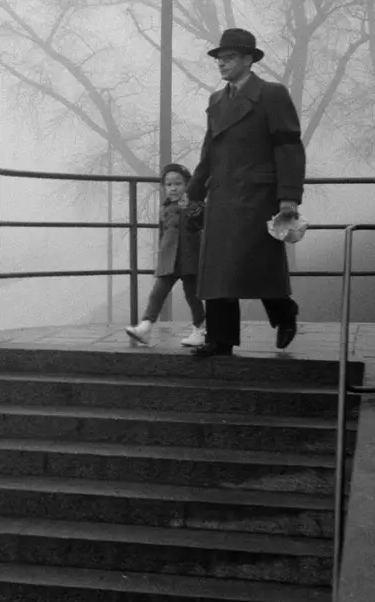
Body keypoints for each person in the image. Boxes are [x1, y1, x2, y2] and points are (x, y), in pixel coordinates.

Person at [185, 29, 306, 357]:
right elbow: (208, 152)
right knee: (218, 267)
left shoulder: (271, 94)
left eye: (229, 58)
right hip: (223, 194)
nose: (221, 65)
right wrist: (194, 193)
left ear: (249, 59)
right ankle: (220, 340)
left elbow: (288, 147)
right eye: (219, 59)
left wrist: (288, 197)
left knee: (256, 263)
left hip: (258, 195)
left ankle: (284, 313)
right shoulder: (216, 100)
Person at [124, 163, 206, 348]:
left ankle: (200, 329)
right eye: (169, 184)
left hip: (189, 257)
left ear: (187, 185)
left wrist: (192, 207)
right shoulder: (165, 208)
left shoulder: (194, 205)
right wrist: (161, 254)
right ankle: (146, 326)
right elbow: (163, 233)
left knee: (192, 295)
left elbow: (201, 223)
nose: (173, 188)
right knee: (157, 293)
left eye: (178, 183)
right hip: (169, 258)